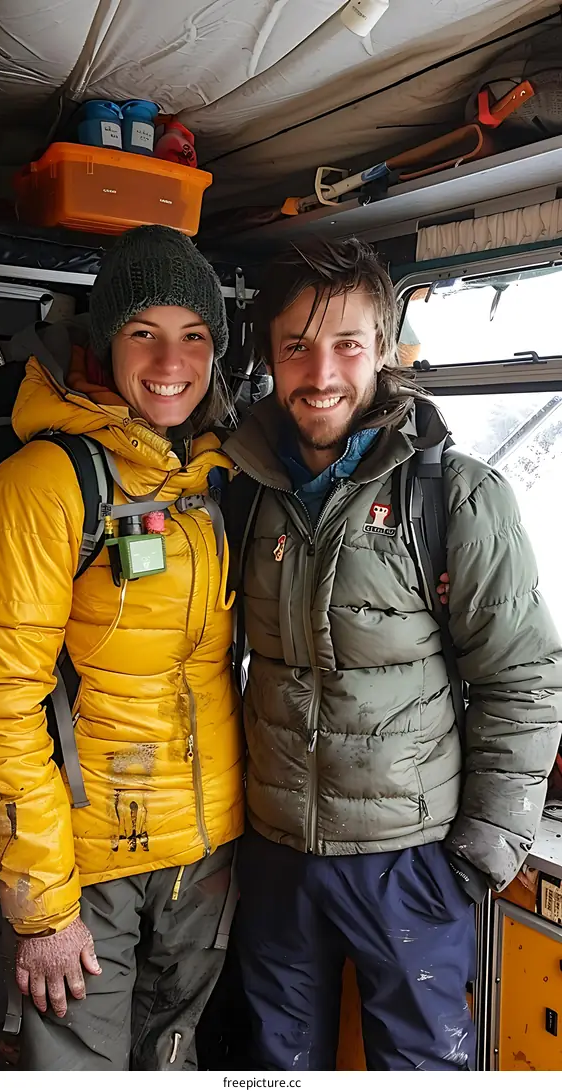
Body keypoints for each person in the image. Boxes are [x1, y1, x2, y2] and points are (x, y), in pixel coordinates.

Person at [222, 237, 562, 1072]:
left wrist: (481, 852)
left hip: (408, 860)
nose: (322, 371)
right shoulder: (239, 490)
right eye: (297, 346)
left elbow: (523, 678)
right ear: (270, 357)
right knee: (272, 1068)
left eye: (346, 343)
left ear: (382, 349)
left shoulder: (455, 495)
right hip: (275, 853)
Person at [0, 225, 243, 1071]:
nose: (172, 360)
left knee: (173, 1064)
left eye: (194, 335)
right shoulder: (46, 484)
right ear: (103, 341)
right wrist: (42, 907)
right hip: (88, 864)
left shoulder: (214, 474)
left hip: (205, 853)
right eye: (144, 332)